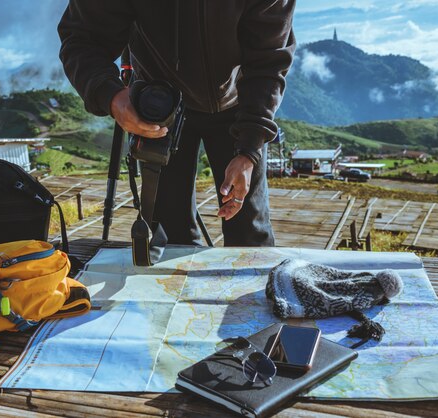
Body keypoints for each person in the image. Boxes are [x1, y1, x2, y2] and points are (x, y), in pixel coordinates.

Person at [58, 0, 296, 246]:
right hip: (159, 108)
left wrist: (249, 150)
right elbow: (82, 37)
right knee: (169, 237)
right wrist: (111, 97)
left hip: (240, 106)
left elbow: (269, 62)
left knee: (250, 234)